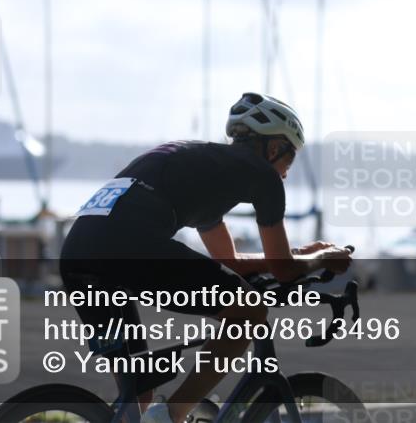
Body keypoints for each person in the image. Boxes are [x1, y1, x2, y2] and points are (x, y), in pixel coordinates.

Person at [59, 93, 353, 423]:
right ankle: (173, 414)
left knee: (137, 395)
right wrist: (326, 256)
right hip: (125, 245)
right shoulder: (261, 174)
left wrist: (302, 253)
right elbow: (284, 270)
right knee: (248, 311)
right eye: (290, 159)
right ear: (274, 148)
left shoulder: (203, 167)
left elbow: (230, 261)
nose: (285, 173)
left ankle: (152, 414)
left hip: (77, 252)